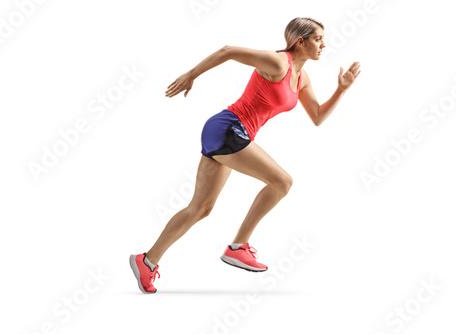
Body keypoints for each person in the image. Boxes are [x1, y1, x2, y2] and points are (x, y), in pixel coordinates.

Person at [130, 17, 361, 293]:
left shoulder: (302, 78)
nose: (324, 44)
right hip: (228, 128)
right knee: (282, 182)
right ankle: (237, 247)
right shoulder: (278, 63)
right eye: (318, 38)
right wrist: (191, 75)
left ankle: (147, 261)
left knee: (200, 209)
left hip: (232, 135)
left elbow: (318, 117)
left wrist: (341, 90)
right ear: (300, 41)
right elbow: (228, 51)